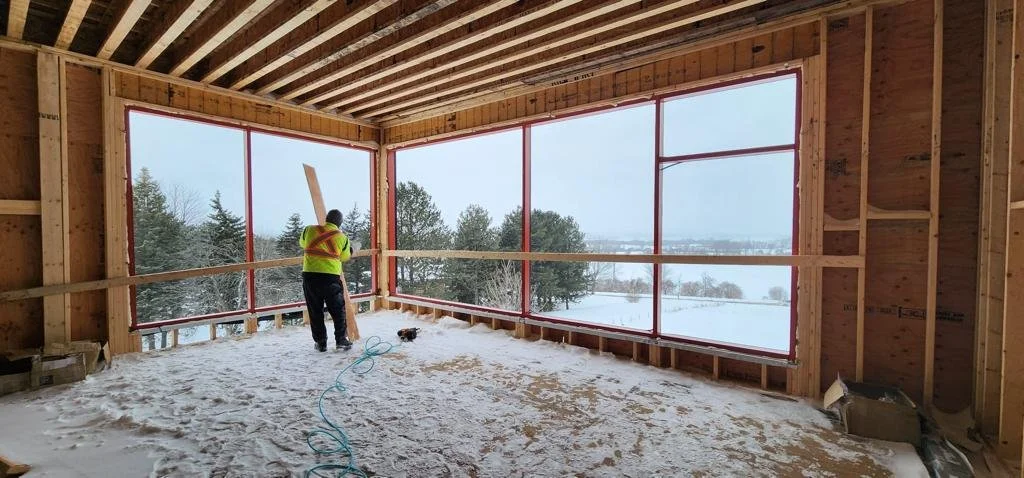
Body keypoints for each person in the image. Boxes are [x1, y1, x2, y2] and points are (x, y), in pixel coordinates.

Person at [299, 209, 353, 352]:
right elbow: (344, 257)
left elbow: (303, 244)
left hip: (310, 276)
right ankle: (341, 340)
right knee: (337, 309)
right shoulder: (342, 238)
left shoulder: (309, 230)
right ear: (340, 224)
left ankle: (321, 343)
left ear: (327, 219)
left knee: (315, 310)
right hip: (330, 278)